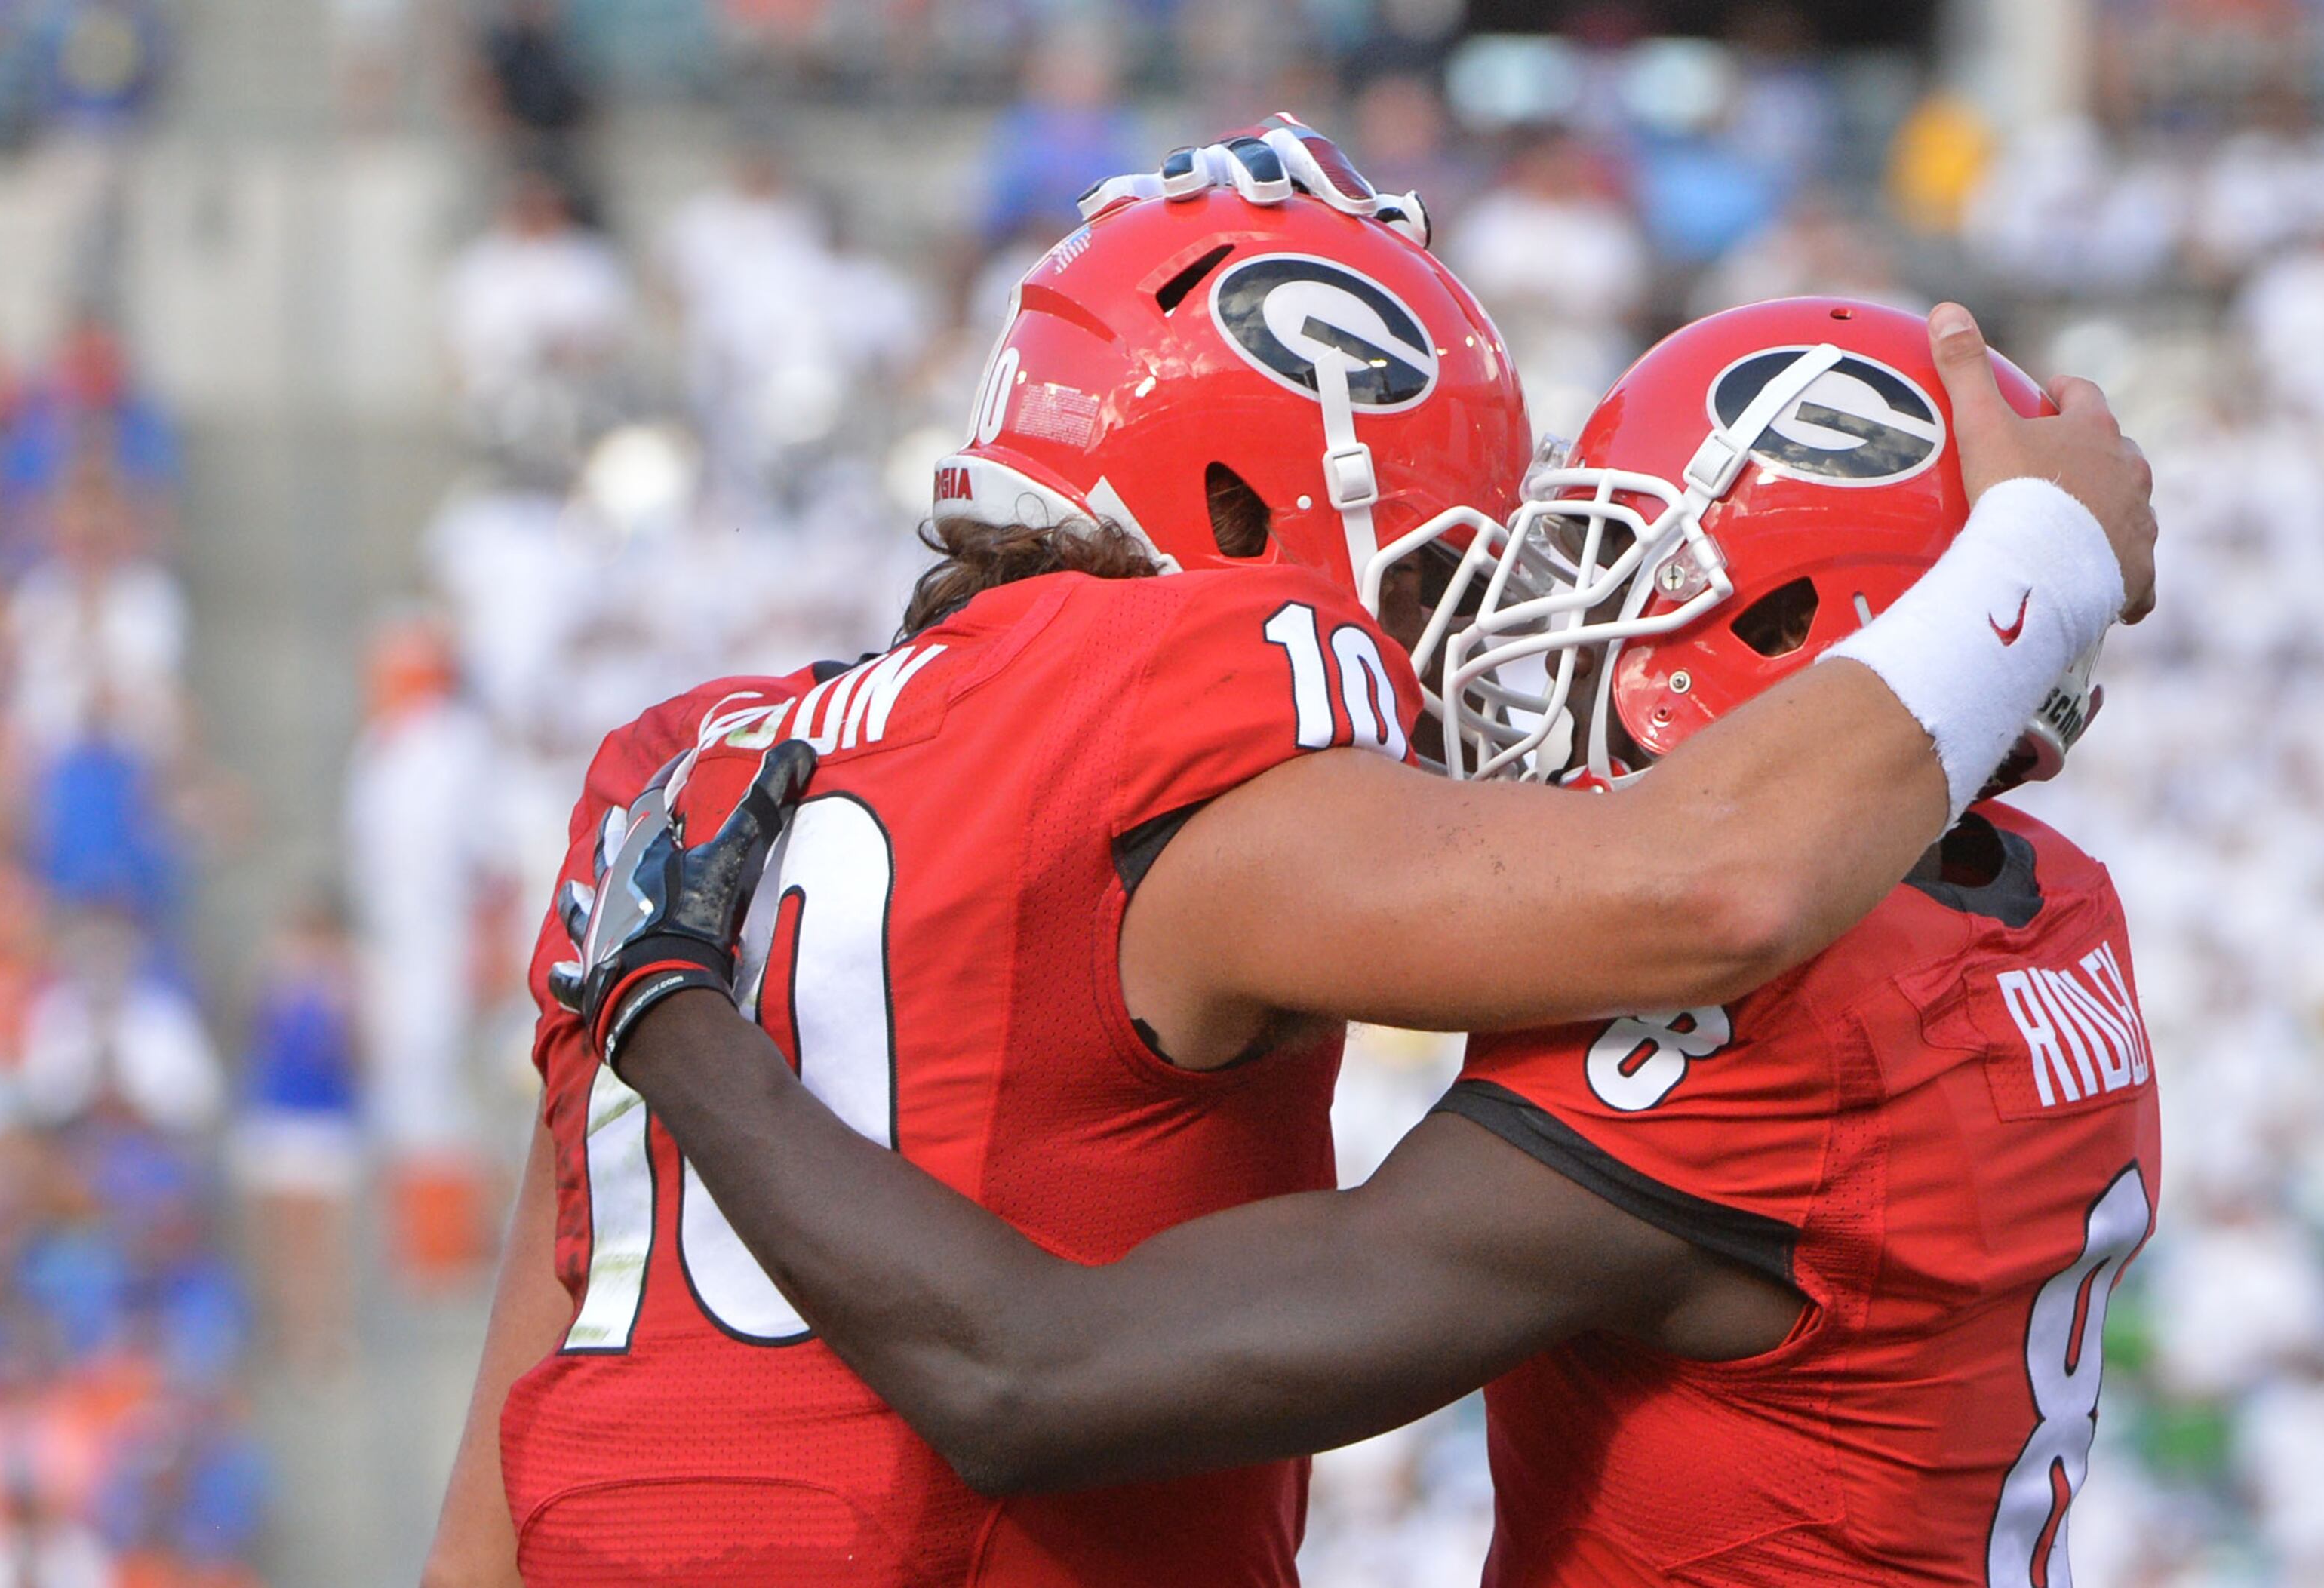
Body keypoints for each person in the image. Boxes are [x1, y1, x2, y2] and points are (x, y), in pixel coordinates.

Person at [426, 131, 2155, 1586]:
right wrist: (2043, 561)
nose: (1472, 653)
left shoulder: (682, 764)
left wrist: (670, 1011)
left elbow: (542, 1382)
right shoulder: (2021, 934)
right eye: (1435, 578)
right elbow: (1706, 884)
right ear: (1254, 517)